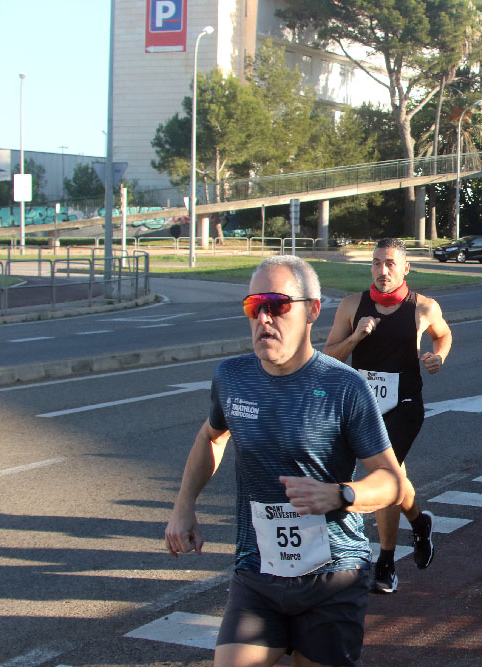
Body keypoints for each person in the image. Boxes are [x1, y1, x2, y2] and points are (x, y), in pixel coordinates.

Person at [164, 255, 405, 667]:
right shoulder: (232, 377)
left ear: (312, 310)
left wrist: (341, 494)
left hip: (333, 574)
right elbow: (211, 437)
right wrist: (183, 508)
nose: (264, 318)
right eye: (254, 306)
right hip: (258, 572)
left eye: (277, 305)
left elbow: (391, 481)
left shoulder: (343, 386)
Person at [323, 238, 452, 594]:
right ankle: (419, 522)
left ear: (405, 268)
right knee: (393, 476)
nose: (383, 270)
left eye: (391, 263)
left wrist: (438, 357)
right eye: (377, 263)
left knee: (383, 473)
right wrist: (356, 336)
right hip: (363, 406)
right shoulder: (352, 306)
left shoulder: (423, 308)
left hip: (405, 405)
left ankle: (386, 561)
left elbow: (443, 336)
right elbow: (330, 357)